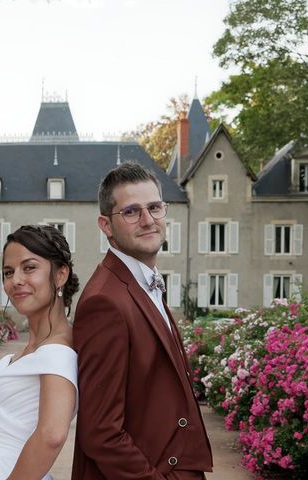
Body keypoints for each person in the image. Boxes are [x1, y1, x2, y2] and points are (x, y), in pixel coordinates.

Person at [71, 162, 213, 480]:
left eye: (154, 207)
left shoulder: (139, 281)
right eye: (132, 212)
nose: (148, 220)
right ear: (106, 225)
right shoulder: (104, 302)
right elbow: (101, 431)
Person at [0, 225, 80, 480]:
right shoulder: (36, 349)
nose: (15, 280)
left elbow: (51, 436)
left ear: (60, 274)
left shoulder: (57, 352)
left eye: (29, 268)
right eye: (8, 272)